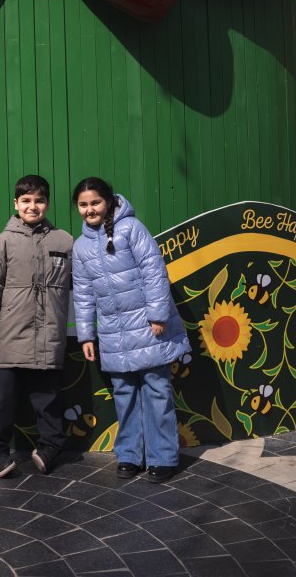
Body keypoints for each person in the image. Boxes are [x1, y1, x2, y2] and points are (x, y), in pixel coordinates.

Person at [72, 176, 191, 483]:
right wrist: (86, 334)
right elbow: (83, 293)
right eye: (83, 205)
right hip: (113, 333)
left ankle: (163, 457)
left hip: (149, 327)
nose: (90, 210)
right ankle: (129, 455)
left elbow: (154, 271)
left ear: (109, 201)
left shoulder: (131, 229)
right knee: (124, 393)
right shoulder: (81, 246)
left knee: (157, 389)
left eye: (95, 202)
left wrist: (157, 314)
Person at [0, 174, 73, 478]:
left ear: (47, 203)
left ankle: (50, 447)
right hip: (10, 339)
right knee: (2, 400)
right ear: (15, 204)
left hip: (49, 339)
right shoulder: (2, 243)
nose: (33, 206)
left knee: (48, 399)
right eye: (26, 200)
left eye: (39, 200)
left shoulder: (64, 241)